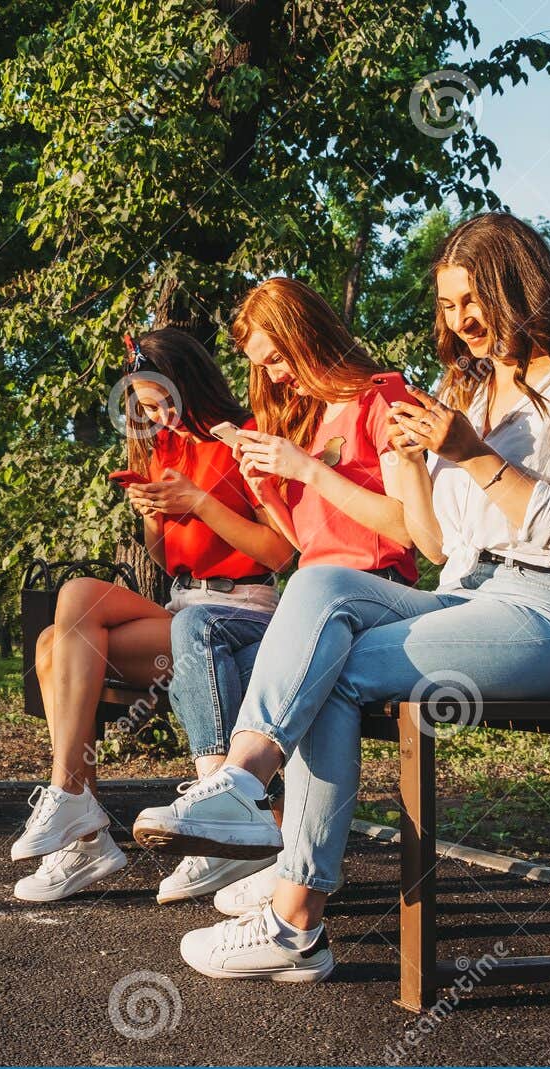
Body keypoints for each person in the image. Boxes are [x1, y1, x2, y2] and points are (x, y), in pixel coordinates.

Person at [139, 212, 550, 982]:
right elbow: (437, 547)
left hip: (546, 608)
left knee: (333, 661)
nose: (460, 321)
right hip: (464, 593)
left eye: (472, 300)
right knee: (321, 588)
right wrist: (414, 465)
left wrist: (466, 453)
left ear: (518, 287)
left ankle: (294, 914)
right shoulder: (463, 388)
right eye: (447, 306)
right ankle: (243, 792)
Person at [150, 277, 419, 905]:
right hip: (313, 599)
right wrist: (270, 489)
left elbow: (404, 530)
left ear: (308, 336)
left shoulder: (384, 399)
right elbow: (304, 545)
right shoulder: (312, 419)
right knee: (206, 645)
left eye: (275, 358)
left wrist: (306, 469)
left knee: (251, 641)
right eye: (260, 366)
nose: (271, 377)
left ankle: (239, 811)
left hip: (374, 595)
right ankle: (255, 832)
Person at [12, 328, 293, 902]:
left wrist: (200, 502)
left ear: (194, 384)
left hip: (242, 611)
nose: (158, 416)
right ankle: (76, 813)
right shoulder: (162, 447)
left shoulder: (246, 437)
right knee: (64, 615)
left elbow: (280, 552)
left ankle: (81, 824)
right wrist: (151, 513)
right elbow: (167, 560)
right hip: (182, 604)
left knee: (55, 645)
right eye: (145, 407)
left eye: (166, 402)